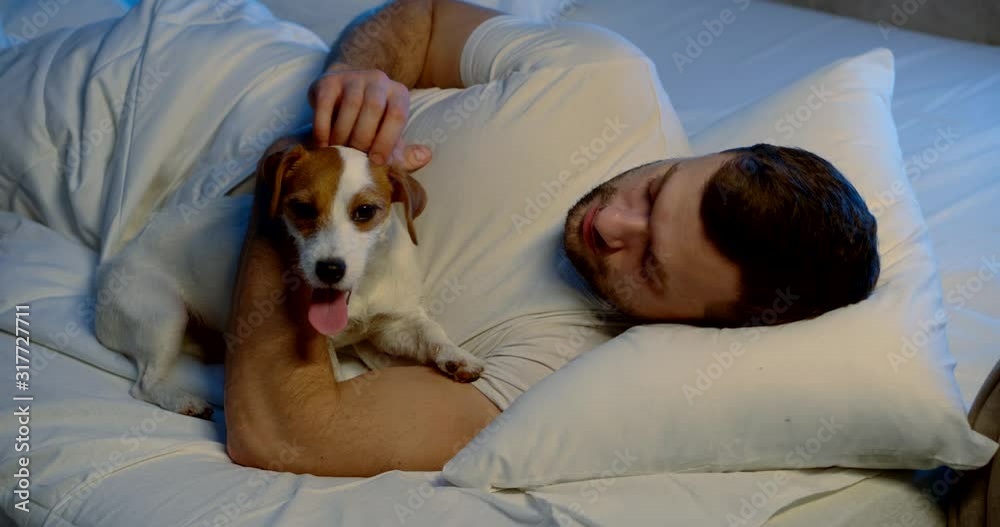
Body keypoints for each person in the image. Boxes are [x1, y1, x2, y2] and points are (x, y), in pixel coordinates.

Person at [224, 0, 879, 477]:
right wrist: (362, 77)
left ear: (699, 323)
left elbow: (286, 430)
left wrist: (285, 181)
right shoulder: (608, 76)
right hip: (213, 56)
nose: (613, 222)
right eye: (655, 191)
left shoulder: (548, 376)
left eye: (649, 264)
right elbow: (419, 20)